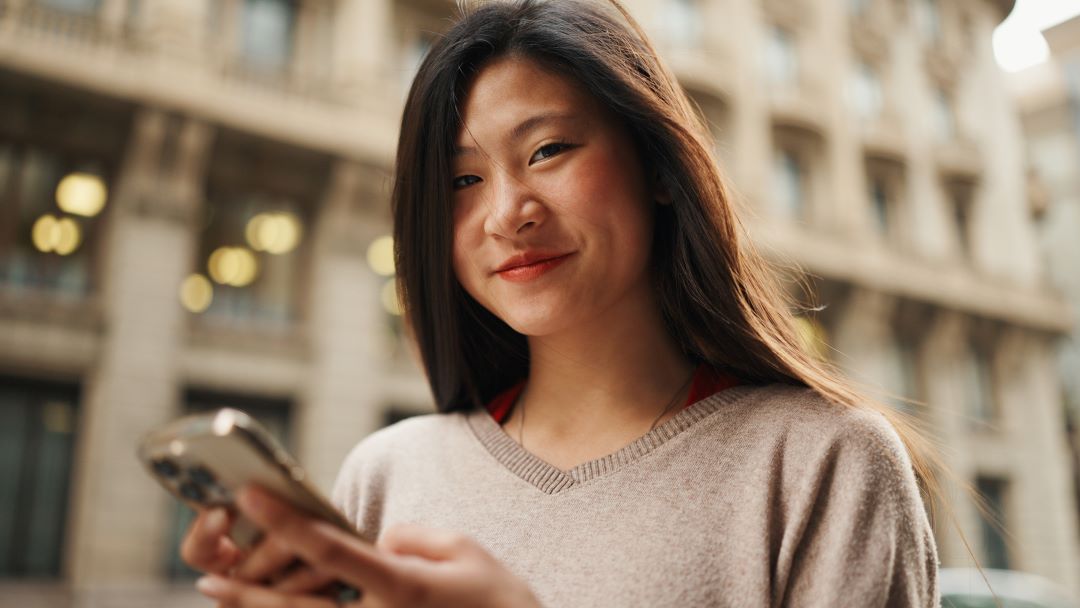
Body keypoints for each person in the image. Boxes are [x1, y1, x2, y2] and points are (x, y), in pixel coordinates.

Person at [182, 1, 940, 606]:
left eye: (548, 151)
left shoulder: (823, 464)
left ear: (660, 168)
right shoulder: (387, 474)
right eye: (462, 181)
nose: (507, 213)